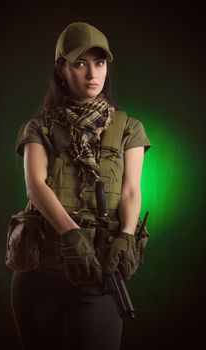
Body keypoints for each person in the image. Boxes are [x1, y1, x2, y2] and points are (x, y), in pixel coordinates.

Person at [10, 22, 150, 350]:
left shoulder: (128, 128)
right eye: (80, 63)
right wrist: (72, 234)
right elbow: (35, 186)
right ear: (61, 70)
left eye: (99, 63)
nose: (92, 74)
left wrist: (127, 235)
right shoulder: (40, 127)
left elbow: (131, 190)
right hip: (40, 272)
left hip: (98, 274)